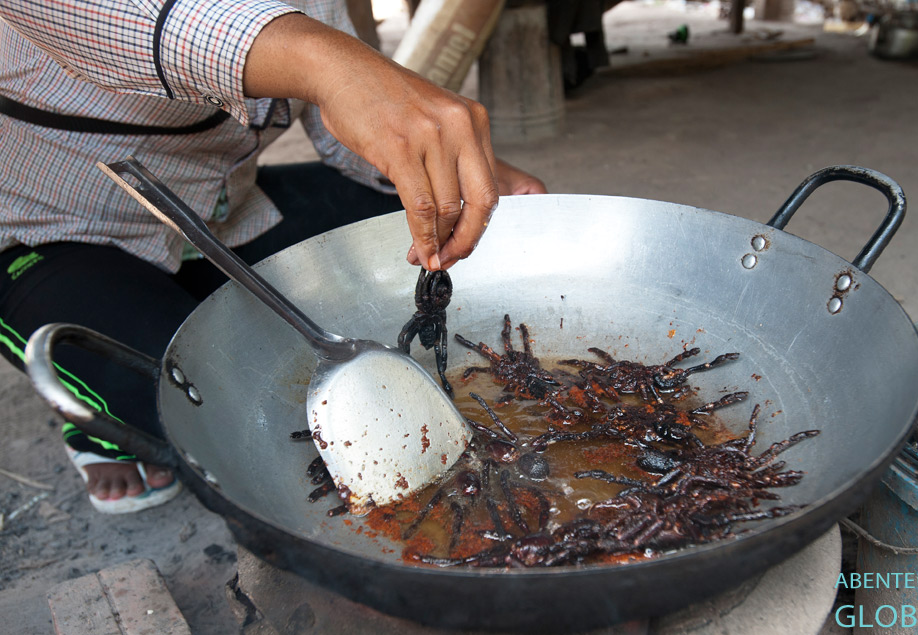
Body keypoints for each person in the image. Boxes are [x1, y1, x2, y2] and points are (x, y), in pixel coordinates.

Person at [0, 0, 546, 513]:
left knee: (414, 220)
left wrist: (460, 172)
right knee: (217, 411)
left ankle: (195, 308)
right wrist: (326, 63)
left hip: (224, 212)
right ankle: (95, 424)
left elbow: (345, 136)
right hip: (45, 228)